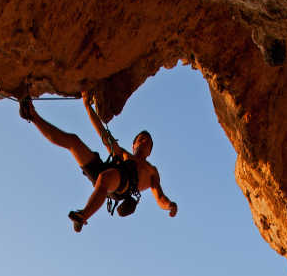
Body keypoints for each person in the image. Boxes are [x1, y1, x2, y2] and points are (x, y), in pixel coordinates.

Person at [19, 92, 178, 232]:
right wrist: (88, 108)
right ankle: (32, 115)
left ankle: (82, 216)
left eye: (148, 142)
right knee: (73, 142)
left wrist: (169, 206)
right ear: (134, 145)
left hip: (121, 185)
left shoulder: (151, 170)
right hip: (105, 172)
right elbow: (104, 136)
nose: (144, 141)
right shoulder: (122, 153)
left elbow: (160, 196)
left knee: (107, 177)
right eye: (141, 139)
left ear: (150, 151)